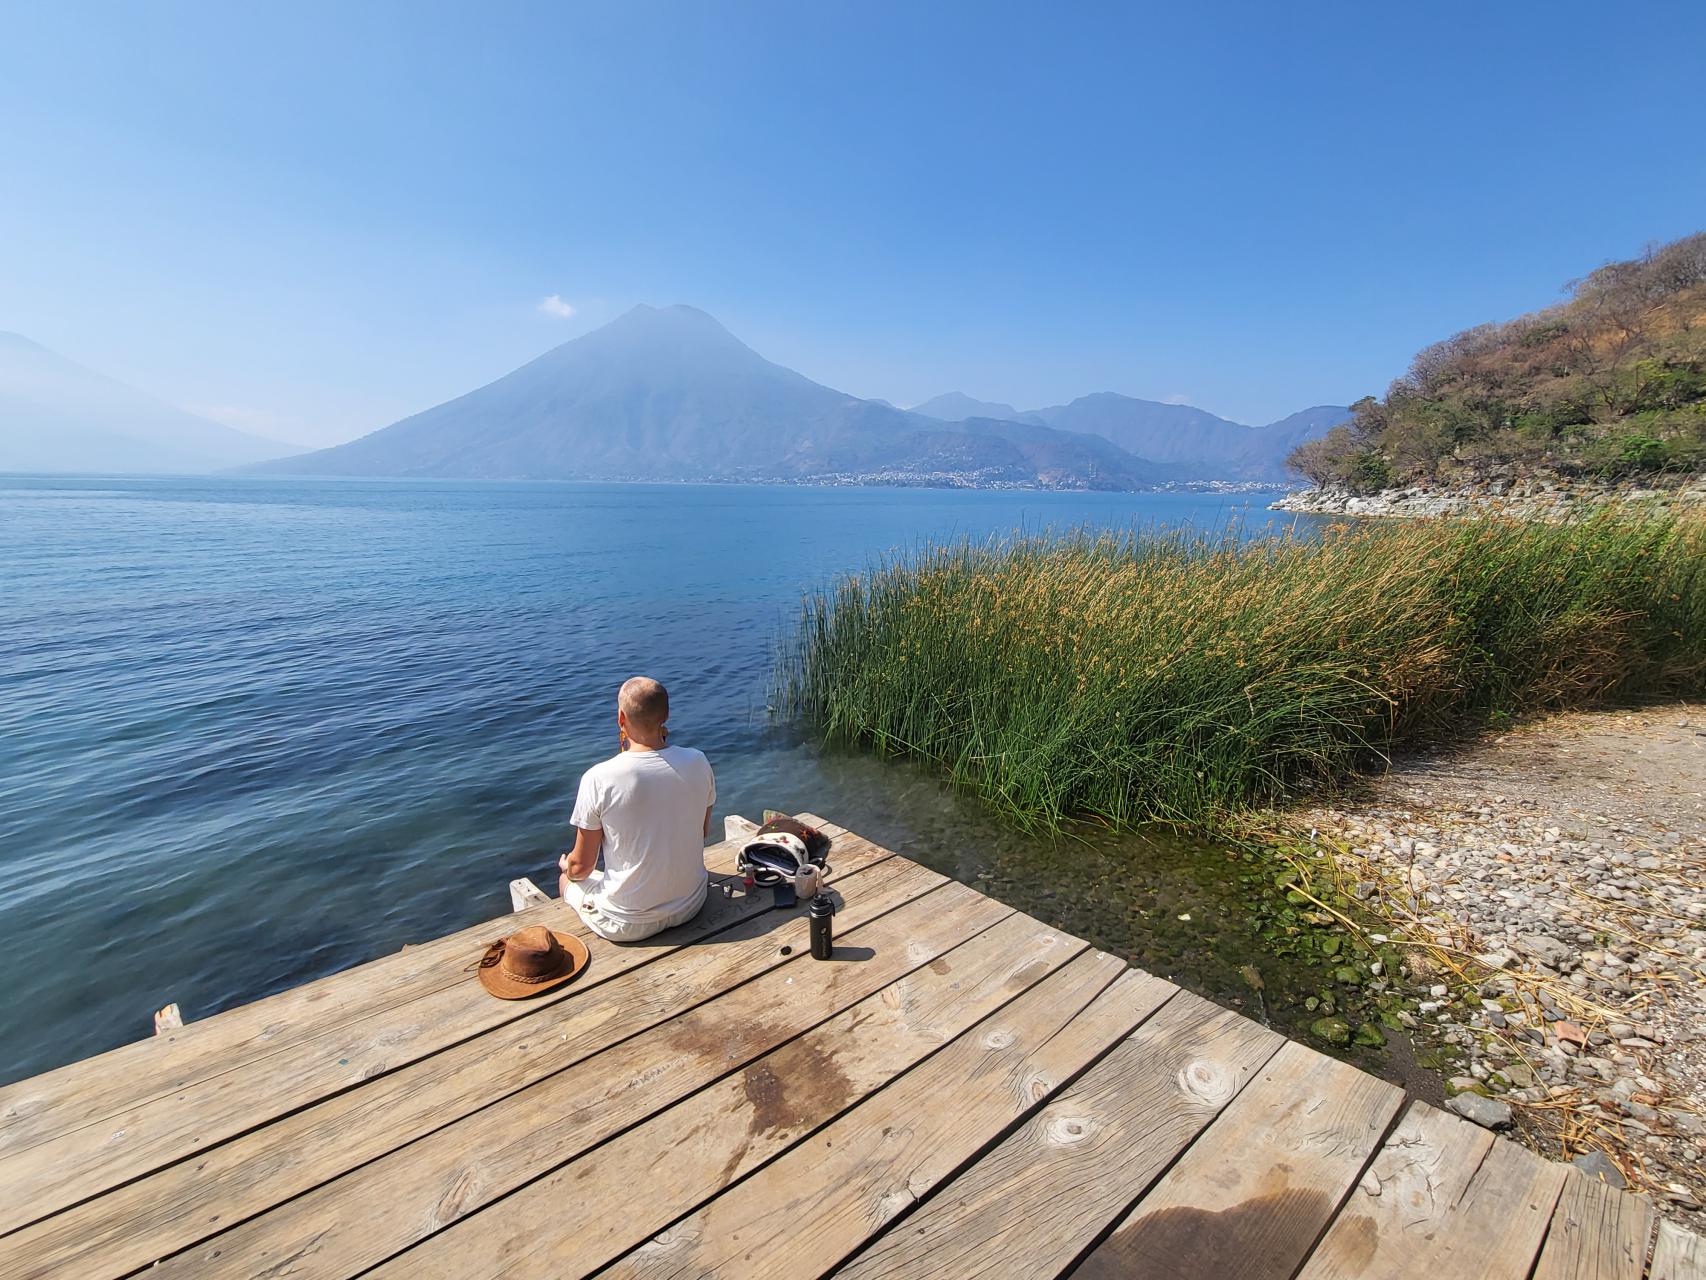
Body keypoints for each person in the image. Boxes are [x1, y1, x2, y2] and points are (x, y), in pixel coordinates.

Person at [558, 676, 715, 942]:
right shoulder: (698, 761)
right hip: (691, 904)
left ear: (621, 718)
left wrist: (567, 868)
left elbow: (583, 866)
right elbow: (701, 833)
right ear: (666, 715)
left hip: (627, 923)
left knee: (567, 880)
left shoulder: (598, 778)